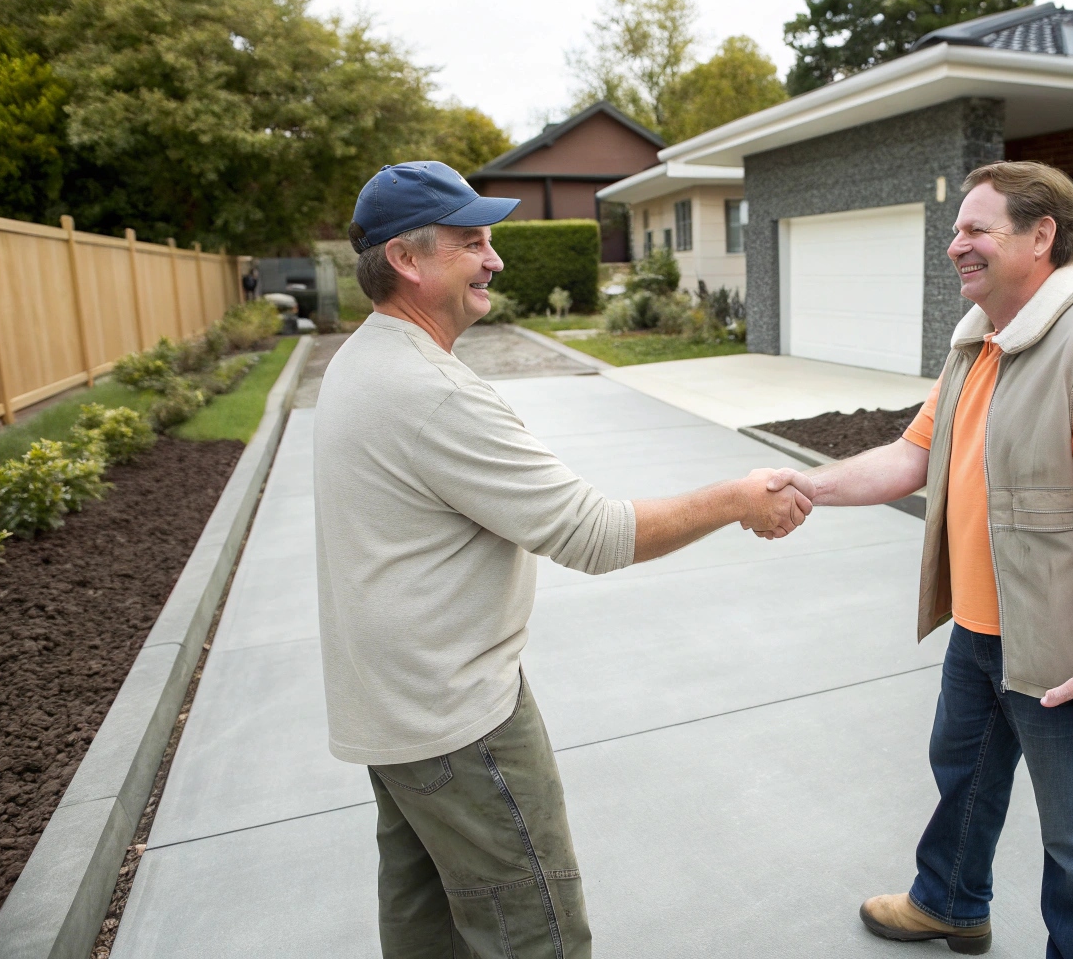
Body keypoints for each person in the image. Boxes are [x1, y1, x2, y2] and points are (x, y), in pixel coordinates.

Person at [313, 161, 814, 959]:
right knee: (536, 933)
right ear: (405, 259)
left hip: (393, 713)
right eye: (471, 242)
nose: (494, 258)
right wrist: (735, 498)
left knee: (426, 930)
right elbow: (594, 534)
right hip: (457, 722)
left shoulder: (361, 361)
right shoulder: (432, 393)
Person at [801, 161, 1073, 957]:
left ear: (1041, 237)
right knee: (962, 781)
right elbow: (912, 456)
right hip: (981, 631)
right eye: (955, 230)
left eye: (976, 229)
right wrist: (805, 488)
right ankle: (950, 904)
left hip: (1067, 655)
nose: (955, 245)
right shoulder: (979, 343)